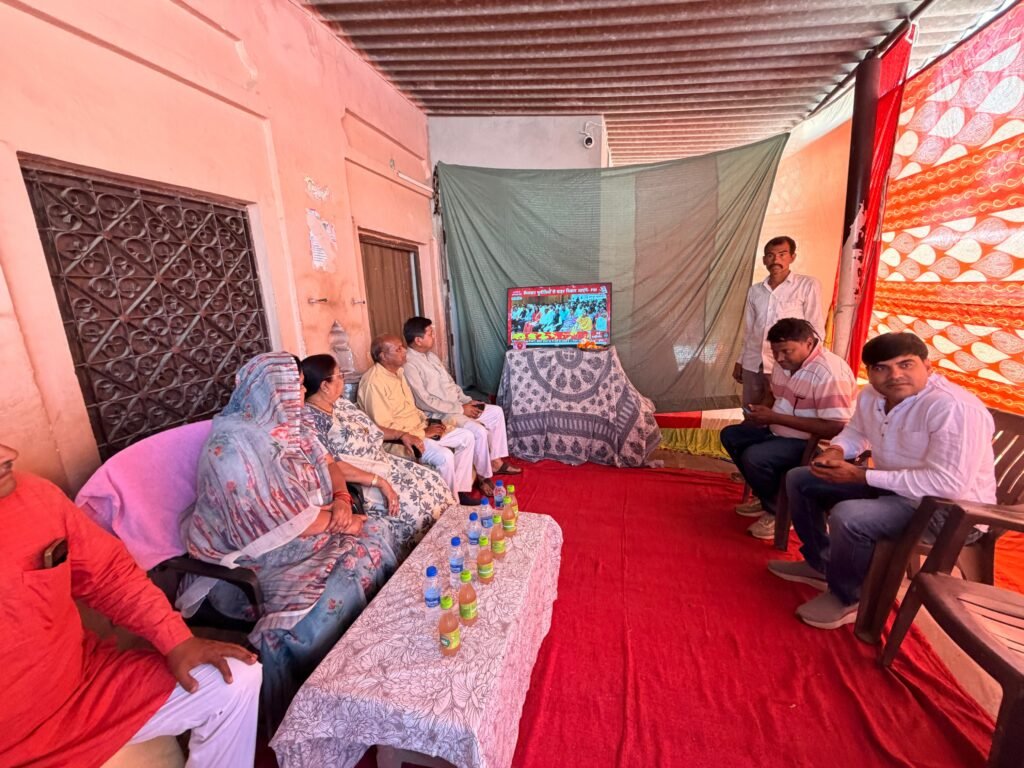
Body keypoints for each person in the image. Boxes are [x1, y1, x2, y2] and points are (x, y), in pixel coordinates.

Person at [0, 442, 261, 768]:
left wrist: (176, 640)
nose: (8, 455)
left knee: (234, 679)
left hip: (84, 693)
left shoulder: (33, 498)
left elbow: (107, 575)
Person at [182, 352, 396, 726]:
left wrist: (342, 499)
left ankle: (372, 653)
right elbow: (273, 522)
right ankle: (325, 695)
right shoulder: (231, 448)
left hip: (313, 527)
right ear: (268, 391)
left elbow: (329, 463)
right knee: (340, 582)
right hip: (253, 555)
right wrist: (340, 522)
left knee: (375, 534)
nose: (300, 390)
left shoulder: (292, 428)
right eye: (293, 384)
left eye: (299, 383)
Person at [767, 332, 997, 630]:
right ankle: (819, 563)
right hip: (896, 489)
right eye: (882, 368)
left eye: (906, 364)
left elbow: (948, 484)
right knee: (801, 478)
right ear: (870, 372)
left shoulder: (953, 408)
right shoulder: (872, 396)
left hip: (949, 511)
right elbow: (856, 432)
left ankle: (848, 596)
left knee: (850, 516)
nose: (895, 375)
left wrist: (861, 475)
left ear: (928, 367)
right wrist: (837, 451)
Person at [301, 353, 454, 559]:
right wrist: (378, 481)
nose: (343, 379)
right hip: (364, 478)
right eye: (339, 375)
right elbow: (332, 465)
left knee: (434, 482)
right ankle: (424, 559)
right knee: (421, 507)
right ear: (325, 386)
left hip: (384, 462)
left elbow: (371, 428)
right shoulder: (311, 421)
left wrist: (401, 435)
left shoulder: (340, 404)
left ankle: (449, 547)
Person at [721, 318, 856, 540]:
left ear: (809, 343)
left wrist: (775, 417)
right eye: (775, 352)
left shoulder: (830, 373)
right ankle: (769, 499)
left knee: (755, 457)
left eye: (786, 351)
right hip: (778, 430)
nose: (780, 358)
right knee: (731, 435)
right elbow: (773, 395)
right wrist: (759, 412)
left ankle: (780, 512)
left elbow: (834, 427)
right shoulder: (783, 364)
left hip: (812, 443)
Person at [732, 237, 823, 472]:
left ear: (792, 257)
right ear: (764, 260)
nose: (776, 260)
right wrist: (741, 359)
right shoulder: (755, 291)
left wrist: (810, 365)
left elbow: (815, 328)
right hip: (754, 360)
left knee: (778, 413)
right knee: (751, 412)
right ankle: (747, 468)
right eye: (771, 256)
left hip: (786, 365)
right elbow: (750, 329)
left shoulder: (807, 285)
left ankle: (768, 462)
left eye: (782, 255)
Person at [402, 317, 521, 494]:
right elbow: (423, 401)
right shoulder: (409, 364)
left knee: (495, 412)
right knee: (479, 432)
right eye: (430, 333)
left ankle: (495, 462)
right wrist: (460, 409)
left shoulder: (431, 356)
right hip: (441, 413)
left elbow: (450, 384)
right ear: (418, 340)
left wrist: (466, 400)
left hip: (457, 405)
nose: (434, 336)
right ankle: (483, 476)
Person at [358, 334, 479, 503]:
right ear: (383, 356)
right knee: (444, 456)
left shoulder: (399, 372)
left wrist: (429, 423)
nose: (404, 351)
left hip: (420, 427)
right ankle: (451, 503)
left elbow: (412, 408)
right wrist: (422, 433)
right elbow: (381, 427)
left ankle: (458, 491)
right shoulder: (373, 383)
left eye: (402, 347)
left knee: (467, 437)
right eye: (398, 349)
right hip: (401, 442)